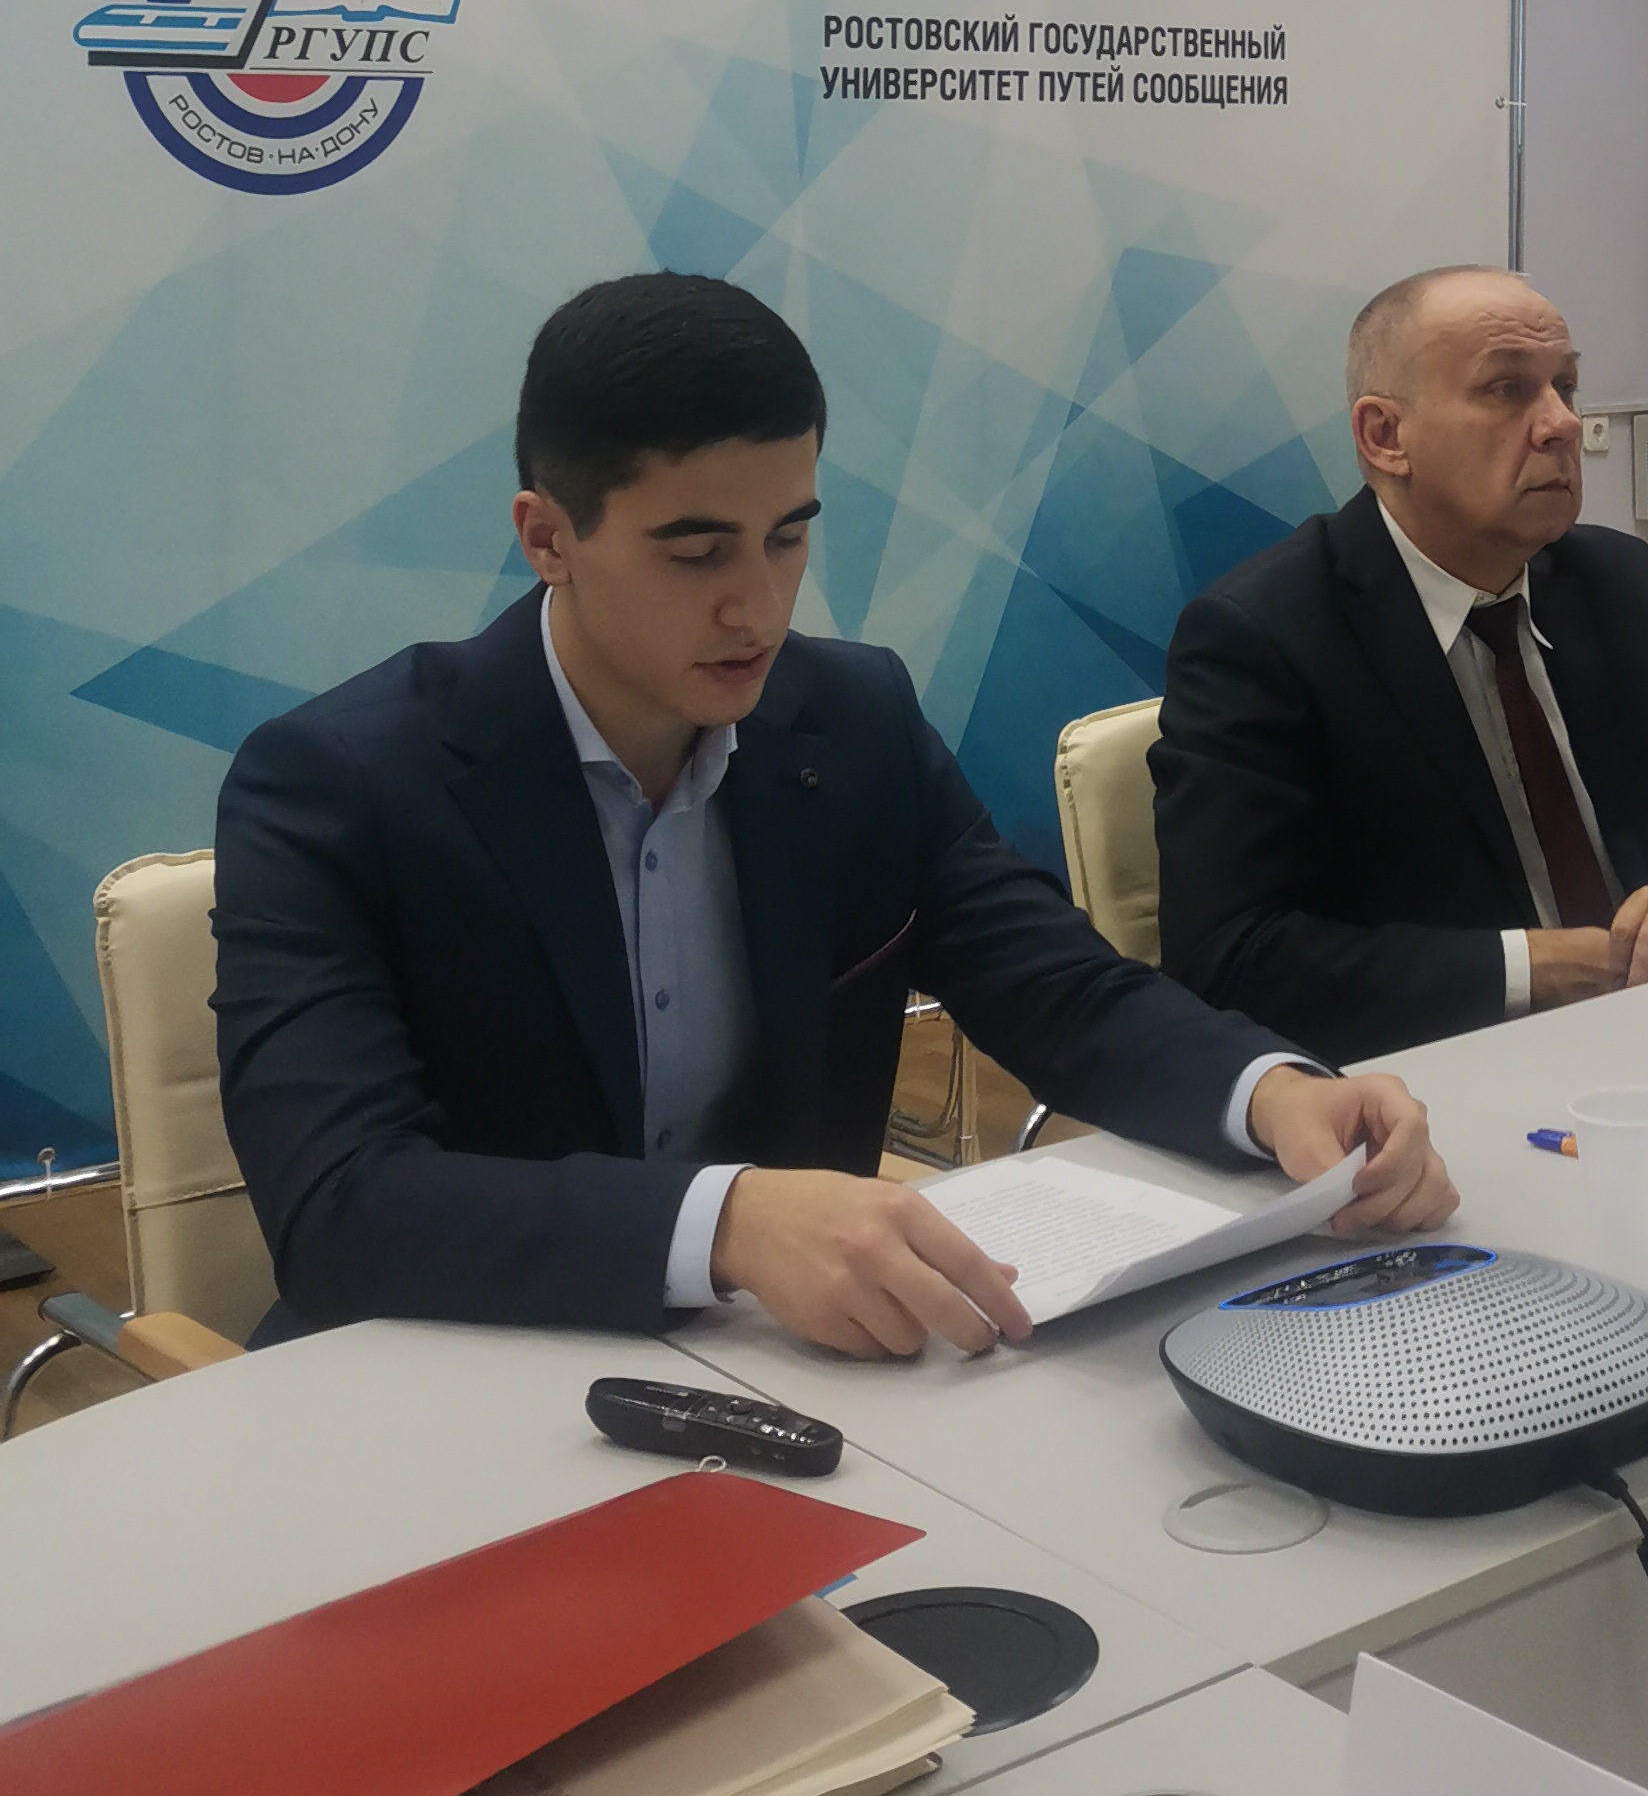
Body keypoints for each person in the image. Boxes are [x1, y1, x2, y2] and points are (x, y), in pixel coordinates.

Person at [214, 274, 1453, 1352]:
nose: (758, 606)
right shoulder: (338, 782)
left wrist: (1271, 1090)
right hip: (449, 1375)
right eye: (697, 553)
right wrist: (729, 1221)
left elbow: (1058, 988)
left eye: (788, 537)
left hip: (797, 1368)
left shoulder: (851, 720)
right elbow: (340, 1206)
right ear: (548, 536)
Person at [1151, 265, 1648, 1064]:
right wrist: (1535, 966)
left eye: (1565, 386)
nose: (1562, 424)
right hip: (1441, 1074)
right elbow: (1229, 959)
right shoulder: (1264, 636)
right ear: (1385, 437)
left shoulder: (1614, 582)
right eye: (1507, 390)